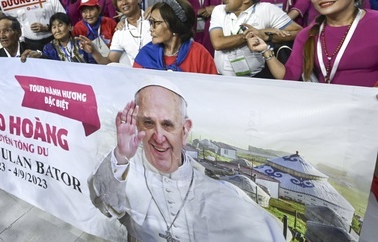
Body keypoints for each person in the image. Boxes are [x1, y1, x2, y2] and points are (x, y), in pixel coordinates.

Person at [89, 78, 286, 242]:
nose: (158, 137)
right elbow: (102, 204)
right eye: (148, 123)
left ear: (184, 131)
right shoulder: (124, 169)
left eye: (168, 125)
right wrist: (121, 155)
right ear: (137, 124)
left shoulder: (226, 197)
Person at [247, 0, 378, 86]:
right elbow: (288, 76)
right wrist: (265, 50)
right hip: (328, 104)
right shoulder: (308, 34)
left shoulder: (374, 22)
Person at [210, 0, 302, 77]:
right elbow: (218, 43)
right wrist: (251, 35)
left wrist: (267, 36)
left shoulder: (266, 10)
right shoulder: (219, 11)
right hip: (222, 78)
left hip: (257, 78)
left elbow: (299, 33)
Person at [133, 0, 217, 73]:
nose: (151, 28)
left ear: (175, 26)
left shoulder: (199, 54)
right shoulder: (146, 54)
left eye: (156, 23)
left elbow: (211, 86)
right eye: (151, 22)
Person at [79, 0, 151, 66]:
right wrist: (94, 52)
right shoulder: (119, 32)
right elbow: (110, 62)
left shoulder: (153, 19)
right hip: (137, 76)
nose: (124, 2)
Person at [21, 12, 94, 63]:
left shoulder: (81, 43)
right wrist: (40, 55)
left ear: (70, 27)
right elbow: (49, 65)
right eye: (54, 27)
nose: (57, 30)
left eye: (60, 25)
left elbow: (92, 63)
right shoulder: (49, 47)